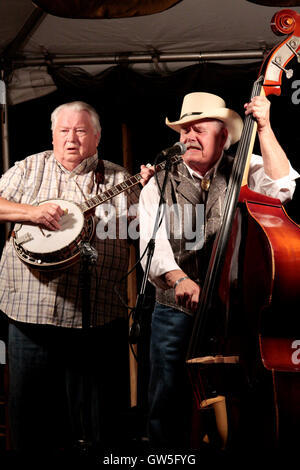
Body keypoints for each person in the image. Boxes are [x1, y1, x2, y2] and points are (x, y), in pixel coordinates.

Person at [139, 92, 299, 449]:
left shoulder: (246, 168)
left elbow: (283, 187)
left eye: (199, 129)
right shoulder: (159, 181)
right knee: (167, 396)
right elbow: (154, 244)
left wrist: (266, 126)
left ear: (223, 136)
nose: (188, 137)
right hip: (175, 310)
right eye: (184, 130)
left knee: (240, 394)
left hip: (235, 311)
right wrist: (178, 278)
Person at [0, 101, 153, 452]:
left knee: (105, 425)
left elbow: (142, 234)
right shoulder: (28, 169)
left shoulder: (118, 177)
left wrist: (150, 197)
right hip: (30, 317)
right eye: (64, 131)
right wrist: (32, 213)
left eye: (81, 131)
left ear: (97, 137)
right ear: (53, 136)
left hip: (97, 321)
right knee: (31, 421)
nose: (72, 139)